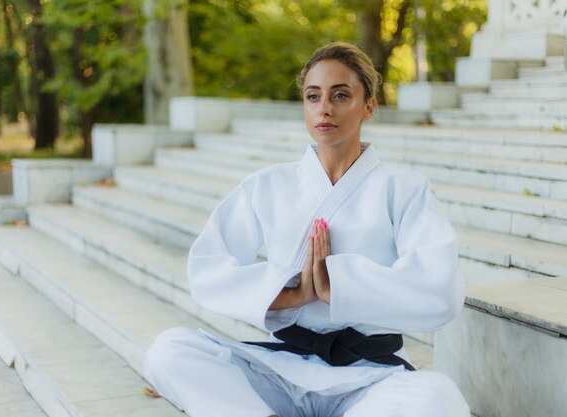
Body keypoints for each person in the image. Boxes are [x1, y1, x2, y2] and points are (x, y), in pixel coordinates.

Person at [145, 42, 470, 417]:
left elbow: (440, 290)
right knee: (170, 349)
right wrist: (292, 293)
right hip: (282, 369)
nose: (324, 108)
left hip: (369, 376)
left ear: (368, 106)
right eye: (313, 96)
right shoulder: (267, 184)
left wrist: (341, 288)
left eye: (341, 95)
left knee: (438, 397)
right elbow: (207, 268)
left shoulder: (404, 187)